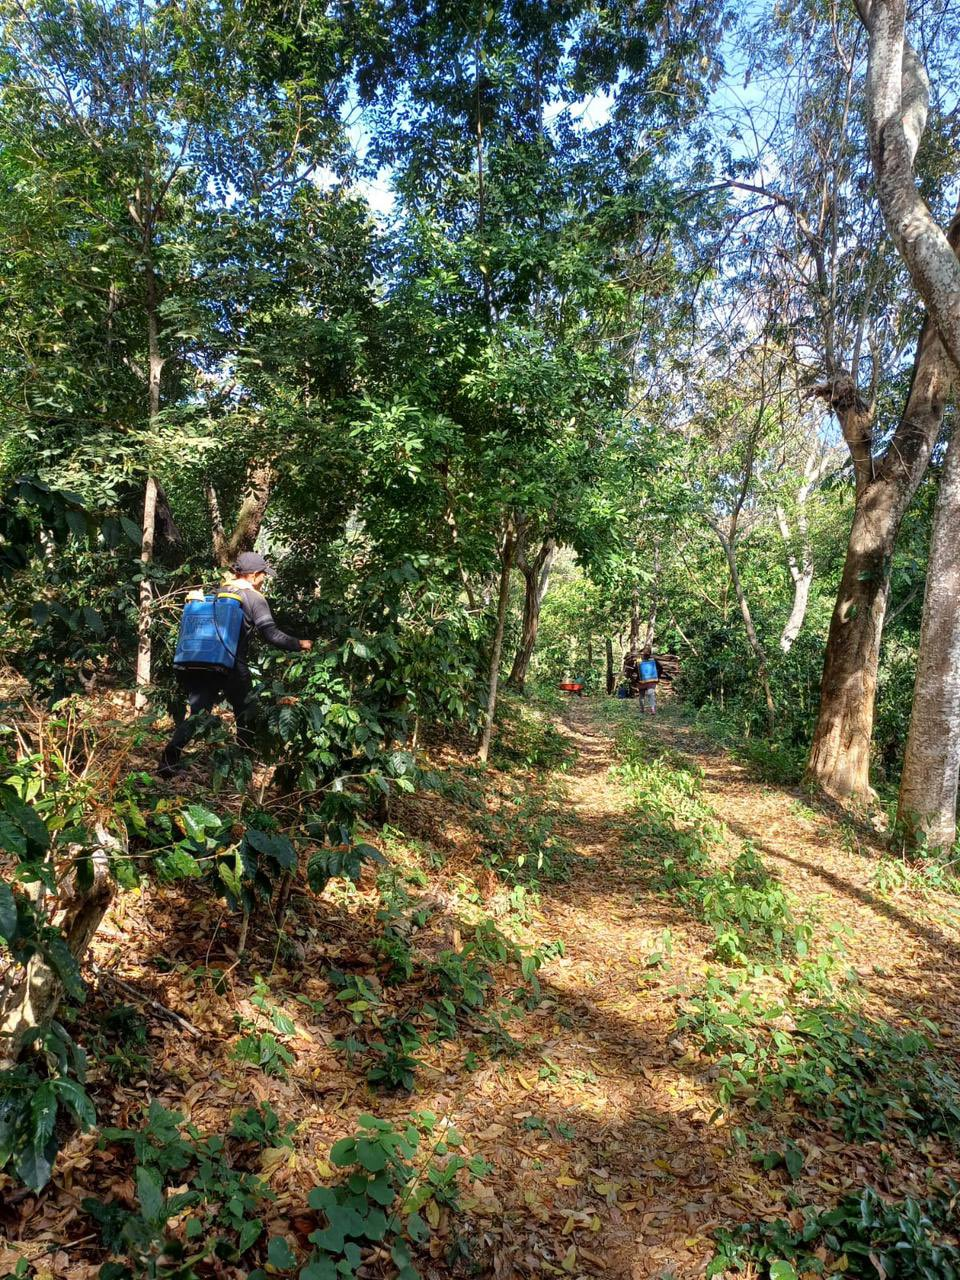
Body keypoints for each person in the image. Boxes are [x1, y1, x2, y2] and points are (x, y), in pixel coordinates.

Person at [158, 551, 312, 776]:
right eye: (262, 576)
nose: (263, 580)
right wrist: (300, 644)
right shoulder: (254, 598)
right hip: (231, 666)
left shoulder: (218, 592)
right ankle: (243, 764)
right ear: (253, 575)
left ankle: (167, 762)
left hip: (200, 662)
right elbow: (271, 634)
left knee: (198, 714)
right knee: (246, 711)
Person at [638, 647, 660, 715]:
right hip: (646, 681)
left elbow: (660, 668)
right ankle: (649, 709)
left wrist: (656, 676)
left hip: (646, 681)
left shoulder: (652, 661)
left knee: (645, 695)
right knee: (649, 695)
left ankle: (645, 709)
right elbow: (661, 668)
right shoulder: (640, 661)